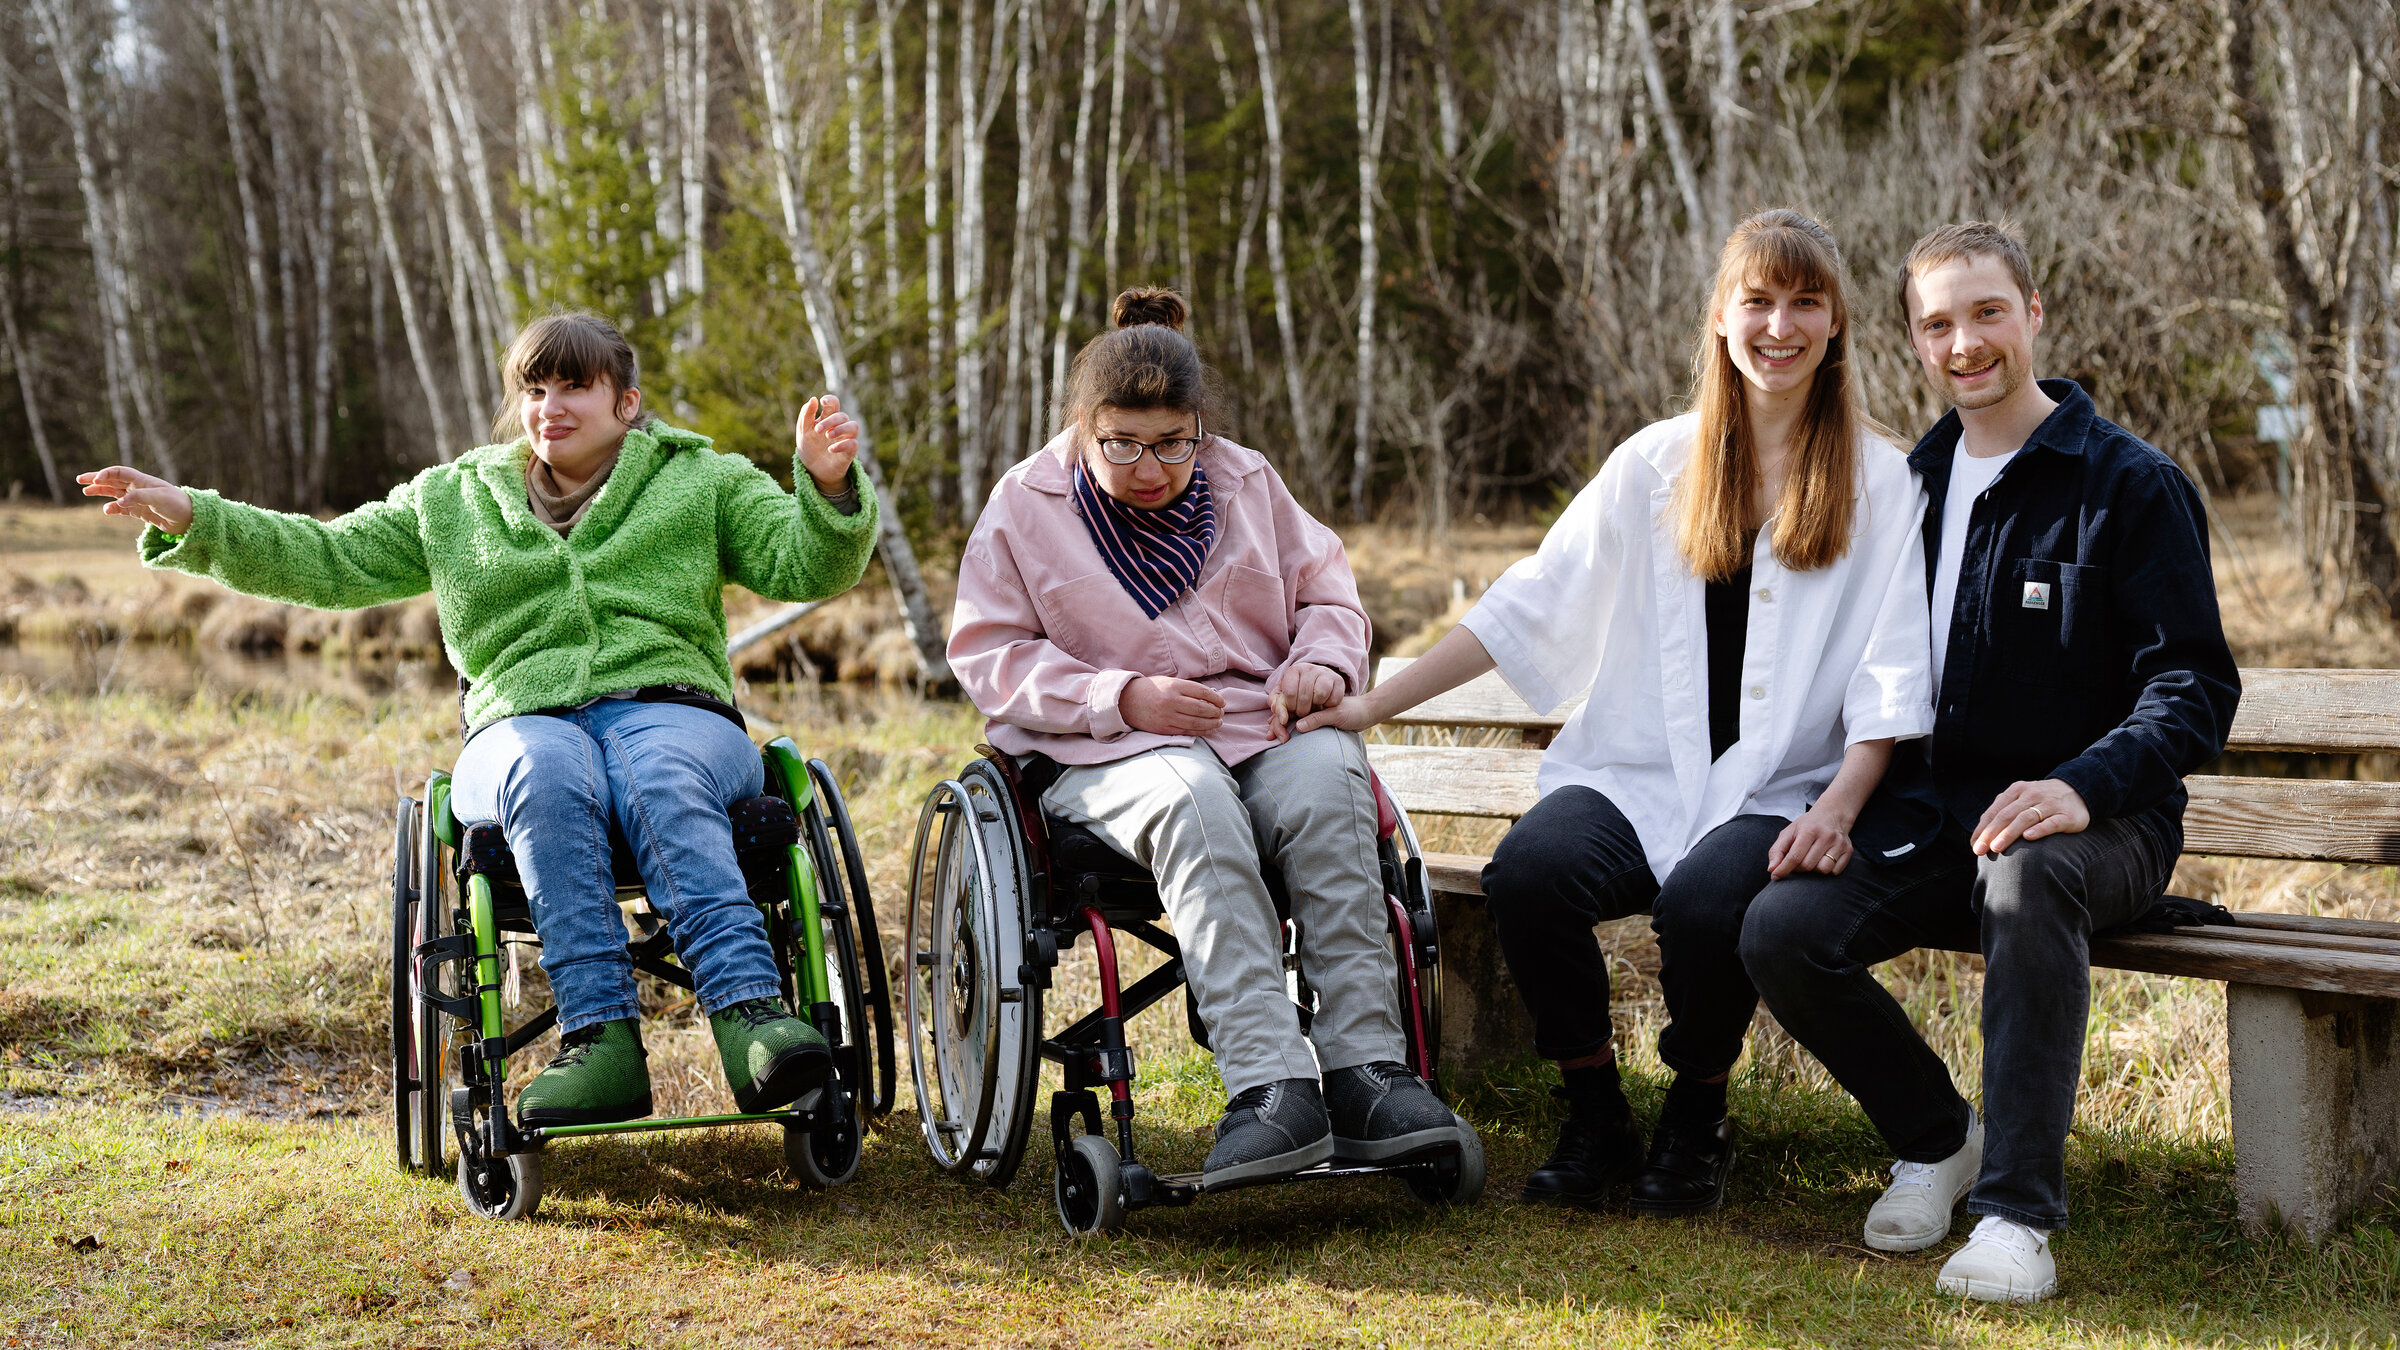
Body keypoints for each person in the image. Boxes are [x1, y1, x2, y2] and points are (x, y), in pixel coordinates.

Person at [79, 312, 882, 1128]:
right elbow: (327, 559)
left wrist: (823, 488)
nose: (550, 405)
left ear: (627, 402)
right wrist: (196, 517)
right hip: (519, 725)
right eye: (534, 388)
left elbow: (805, 562)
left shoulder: (700, 479)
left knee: (658, 770)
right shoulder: (454, 499)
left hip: (673, 711)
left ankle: (752, 1014)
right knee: (546, 769)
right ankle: (599, 1039)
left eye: (574, 385)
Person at [1298, 209, 1932, 1214]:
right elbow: (1528, 606)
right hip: (1633, 771)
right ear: (1721, 319)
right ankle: (1593, 1106)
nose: (1780, 325)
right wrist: (1370, 705)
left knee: (1711, 901)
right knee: (1532, 875)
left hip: (1785, 788)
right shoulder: (1653, 465)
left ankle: (1698, 1107)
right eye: (1756, 300)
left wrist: (1842, 806)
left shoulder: (1884, 482)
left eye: (1805, 302)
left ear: (1838, 323)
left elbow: (1896, 668)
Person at [1736, 222, 2240, 1302]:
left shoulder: (2129, 484)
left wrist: (2082, 785)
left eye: (1986, 313)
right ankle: (1937, 1136)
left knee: (2024, 873)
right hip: (1942, 813)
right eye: (1937, 324)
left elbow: (2194, 688)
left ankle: (2017, 1216)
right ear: (1913, 343)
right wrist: (1839, 801)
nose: (1965, 343)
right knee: (1781, 927)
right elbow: (1871, 670)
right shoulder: (1910, 483)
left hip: (2105, 824)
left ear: (2033, 312)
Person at [947, 286, 1468, 1189]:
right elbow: (988, 655)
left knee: (1335, 773)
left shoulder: (1247, 480)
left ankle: (1366, 1072)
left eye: (1173, 443)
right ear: (1083, 426)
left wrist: (1320, 665)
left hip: (1259, 725)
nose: (1149, 467)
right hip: (1102, 749)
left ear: (1200, 429)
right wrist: (1124, 695)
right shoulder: (1024, 505)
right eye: (1123, 444)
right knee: (1189, 797)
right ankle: (1272, 1088)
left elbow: (1330, 599)